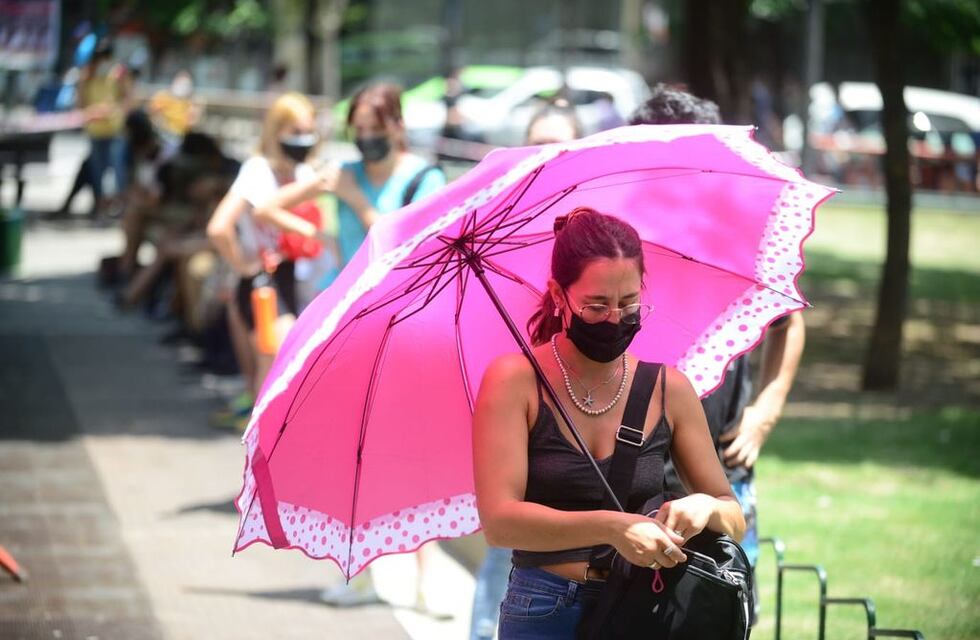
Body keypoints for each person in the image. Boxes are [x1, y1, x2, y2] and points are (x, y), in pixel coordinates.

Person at [474, 207, 745, 638]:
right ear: (559, 297)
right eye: (597, 306)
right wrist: (613, 527)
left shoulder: (668, 389)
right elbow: (500, 522)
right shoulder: (515, 381)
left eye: (629, 303)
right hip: (544, 606)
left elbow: (734, 516)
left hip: (643, 604)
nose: (616, 319)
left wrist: (705, 507)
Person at [255, 82, 447, 610]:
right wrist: (321, 237)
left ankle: (426, 582)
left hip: (406, 328)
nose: (365, 139)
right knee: (355, 452)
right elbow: (266, 207)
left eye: (374, 128)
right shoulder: (341, 171)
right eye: (357, 129)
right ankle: (358, 570)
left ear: (397, 125)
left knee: (418, 453)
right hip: (348, 325)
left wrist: (353, 198)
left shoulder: (422, 177)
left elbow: (398, 244)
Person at [629, 83, 807, 621]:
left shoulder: (740, 233)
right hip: (641, 469)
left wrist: (765, 411)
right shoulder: (620, 238)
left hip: (726, 469)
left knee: (727, 613)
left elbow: (789, 319)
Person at [468, 99, 583, 640]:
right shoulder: (501, 241)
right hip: (530, 441)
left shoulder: (601, 237)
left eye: (558, 145)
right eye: (536, 145)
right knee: (507, 562)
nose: (547, 157)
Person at [206, 92, 324, 430]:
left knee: (273, 365)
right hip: (264, 283)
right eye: (295, 131)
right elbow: (218, 228)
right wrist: (243, 264)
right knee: (274, 365)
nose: (304, 139)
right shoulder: (257, 170)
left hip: (287, 279)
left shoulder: (301, 171)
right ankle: (262, 449)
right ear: (275, 132)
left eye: (308, 130)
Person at [77, 36, 132, 218]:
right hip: (95, 130)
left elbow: (128, 98)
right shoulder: (87, 74)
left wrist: (114, 111)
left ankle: (121, 208)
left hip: (115, 129)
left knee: (118, 171)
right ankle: (100, 207)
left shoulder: (119, 72)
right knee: (97, 171)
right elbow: (81, 103)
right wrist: (91, 111)